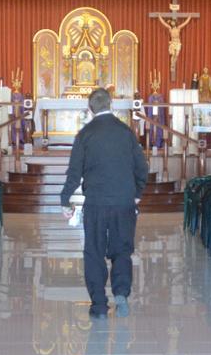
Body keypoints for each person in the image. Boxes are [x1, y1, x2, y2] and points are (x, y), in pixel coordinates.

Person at [60, 88, 149, 319]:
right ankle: (121, 293)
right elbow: (142, 167)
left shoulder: (85, 134)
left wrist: (65, 200)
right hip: (124, 202)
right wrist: (137, 192)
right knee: (122, 250)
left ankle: (99, 305)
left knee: (94, 252)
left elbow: (74, 172)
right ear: (112, 105)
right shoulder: (126, 132)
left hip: (96, 203)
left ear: (90, 109)